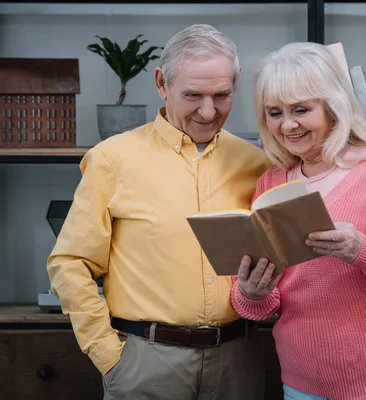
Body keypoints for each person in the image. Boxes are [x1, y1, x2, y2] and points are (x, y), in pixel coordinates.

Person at [46, 24, 271, 400]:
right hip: (145, 364)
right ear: (161, 83)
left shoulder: (258, 164)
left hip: (240, 359)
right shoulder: (112, 160)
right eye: (193, 95)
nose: (208, 110)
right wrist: (108, 354)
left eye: (222, 95)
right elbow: (69, 263)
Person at [231, 41, 366, 400]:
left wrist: (361, 249)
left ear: (333, 106)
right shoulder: (271, 182)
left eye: (301, 109)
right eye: (274, 113)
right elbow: (266, 302)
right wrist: (251, 292)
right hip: (304, 383)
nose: (287, 125)